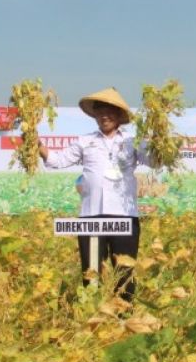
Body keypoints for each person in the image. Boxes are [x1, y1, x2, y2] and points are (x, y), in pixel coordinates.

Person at [39, 87, 150, 301]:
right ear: (95, 115)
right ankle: (91, 315)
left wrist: (159, 143)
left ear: (118, 114)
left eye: (109, 111)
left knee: (124, 276)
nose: (104, 116)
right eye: (100, 111)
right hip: (91, 217)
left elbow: (154, 161)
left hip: (124, 217)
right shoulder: (85, 141)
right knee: (91, 275)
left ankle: (123, 316)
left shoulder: (132, 141)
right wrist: (37, 145)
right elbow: (57, 160)